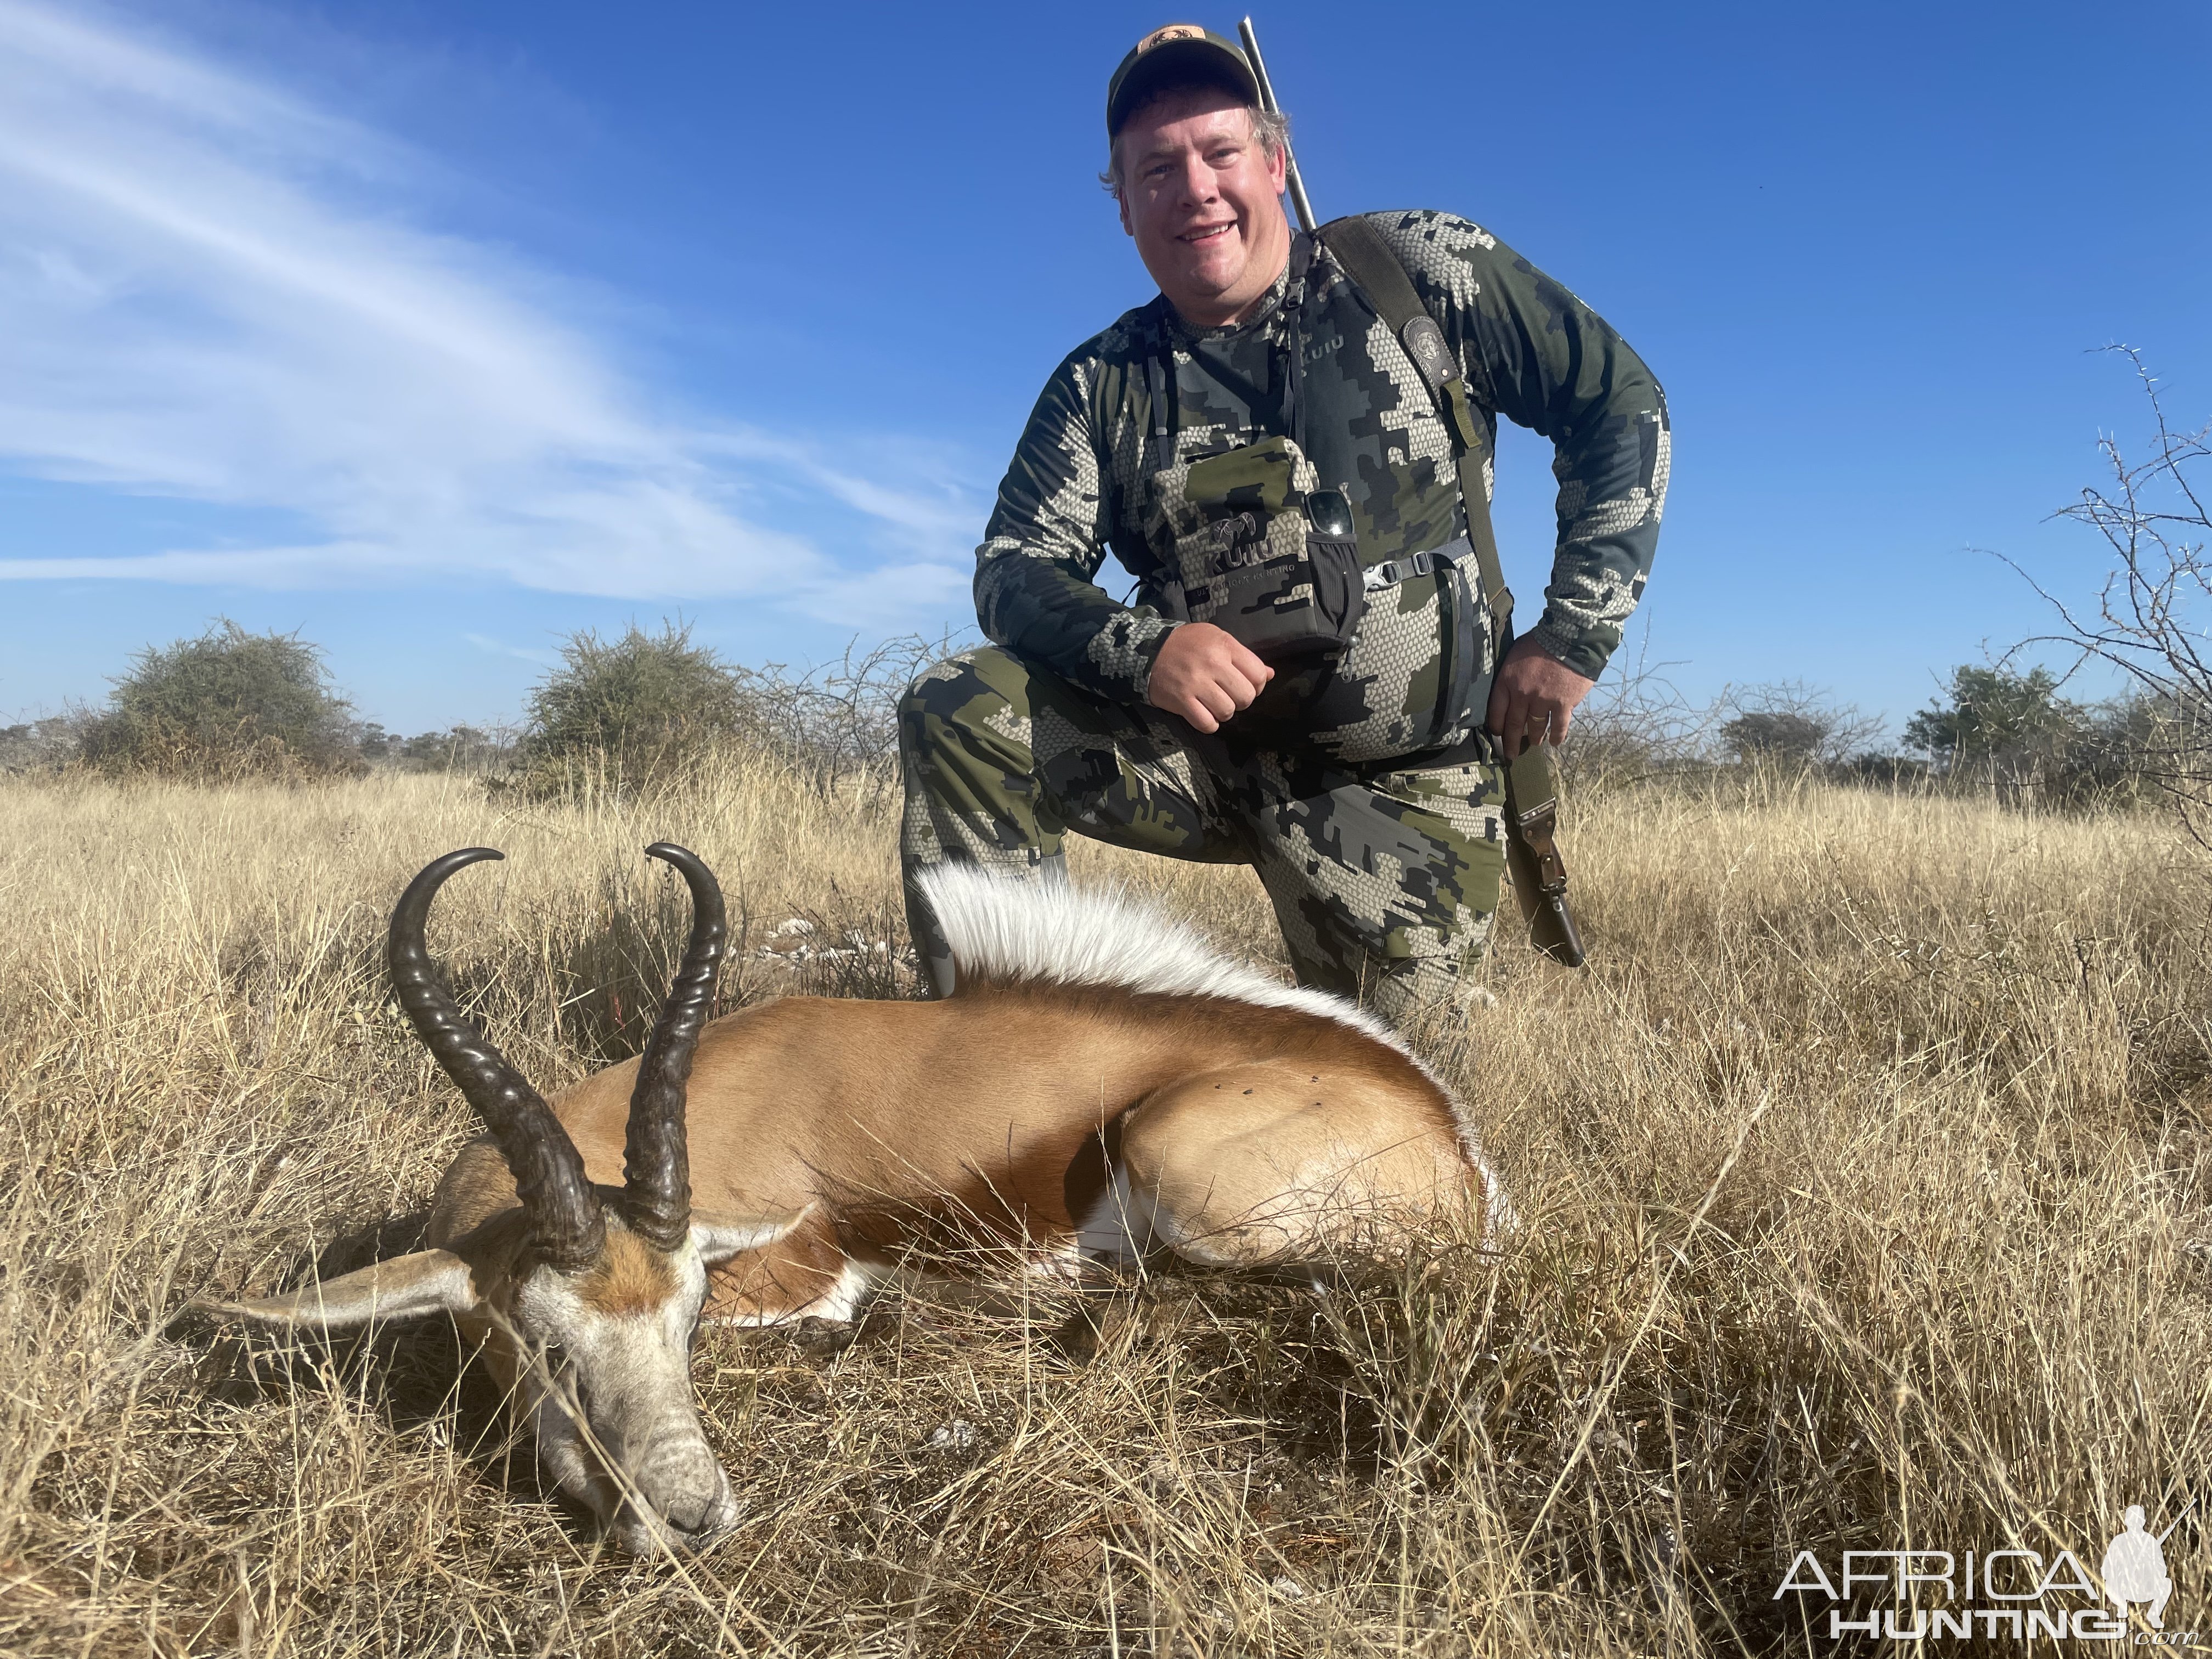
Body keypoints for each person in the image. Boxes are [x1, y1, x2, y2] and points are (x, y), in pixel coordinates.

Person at [899, 23, 1668, 1024]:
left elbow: (1617, 403)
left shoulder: (1416, 267)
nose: (1195, 188)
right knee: (961, 707)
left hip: (1400, 784)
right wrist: (1147, 648)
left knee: (1383, 1124)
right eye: (1157, 170)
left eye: (1220, 153)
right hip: (1201, 757)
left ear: (1275, 159)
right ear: (1123, 206)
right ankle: (1000, 1047)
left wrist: (1574, 632)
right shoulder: (1100, 382)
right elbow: (1012, 569)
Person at [2102, 1505, 2172, 1628]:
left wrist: (2148, 1566)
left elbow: (2162, 1571)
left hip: (2145, 1590)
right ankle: (2123, 1607)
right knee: (2109, 1584)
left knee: (2167, 1583)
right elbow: (2106, 1570)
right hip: (2123, 1590)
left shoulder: (2151, 1542)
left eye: (2138, 1520)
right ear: (2126, 1521)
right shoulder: (2119, 1541)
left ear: (2144, 1521)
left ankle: (2154, 1615)